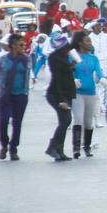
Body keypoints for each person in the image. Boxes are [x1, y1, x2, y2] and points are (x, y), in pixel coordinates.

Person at [70, 31, 105, 158]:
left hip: (91, 92)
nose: (90, 43)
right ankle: (76, 148)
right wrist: (73, 79)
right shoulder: (73, 56)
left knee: (89, 122)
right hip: (78, 92)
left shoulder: (93, 58)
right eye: (87, 41)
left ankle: (87, 147)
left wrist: (102, 78)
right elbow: (69, 70)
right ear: (80, 43)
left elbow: (99, 71)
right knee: (78, 119)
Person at [0, 33, 31, 161]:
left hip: (21, 94)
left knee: (17, 122)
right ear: (12, 46)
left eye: (24, 44)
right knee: (4, 121)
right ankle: (4, 144)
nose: (23, 47)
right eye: (20, 45)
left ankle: (13, 148)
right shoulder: (4, 59)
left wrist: (26, 92)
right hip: (6, 95)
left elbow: (27, 75)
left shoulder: (26, 59)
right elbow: (1, 77)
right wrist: (3, 93)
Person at [45, 33, 76, 161]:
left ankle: (59, 150)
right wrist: (60, 100)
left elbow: (66, 71)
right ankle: (53, 147)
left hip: (67, 93)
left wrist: (72, 66)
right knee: (65, 120)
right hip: (57, 94)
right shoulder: (54, 58)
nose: (68, 47)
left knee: (65, 121)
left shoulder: (64, 56)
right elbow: (57, 79)